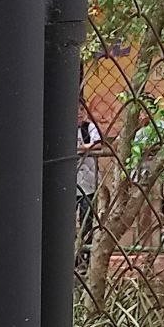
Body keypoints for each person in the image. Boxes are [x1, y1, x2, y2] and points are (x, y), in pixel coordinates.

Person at [76, 114, 102, 267]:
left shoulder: (88, 127)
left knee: (86, 220)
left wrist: (82, 147)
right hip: (72, 183)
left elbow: (98, 144)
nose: (79, 113)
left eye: (81, 109)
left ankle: (85, 257)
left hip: (88, 183)